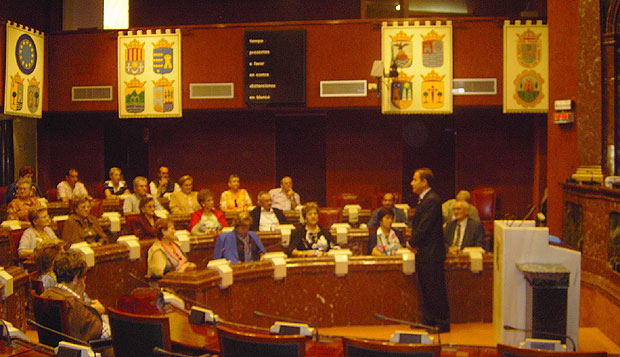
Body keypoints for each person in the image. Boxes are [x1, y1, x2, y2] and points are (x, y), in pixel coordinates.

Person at [409, 168, 450, 332]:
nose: (411, 183)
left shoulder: (432, 200)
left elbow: (425, 226)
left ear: (424, 182)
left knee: (435, 288)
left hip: (432, 253)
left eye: (414, 179)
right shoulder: (423, 200)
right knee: (426, 287)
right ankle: (428, 320)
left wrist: (411, 242)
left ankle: (442, 322)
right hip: (424, 252)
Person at [41, 250, 110, 341]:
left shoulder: (45, 295)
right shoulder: (75, 305)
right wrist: (98, 311)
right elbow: (106, 333)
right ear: (75, 279)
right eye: (83, 277)